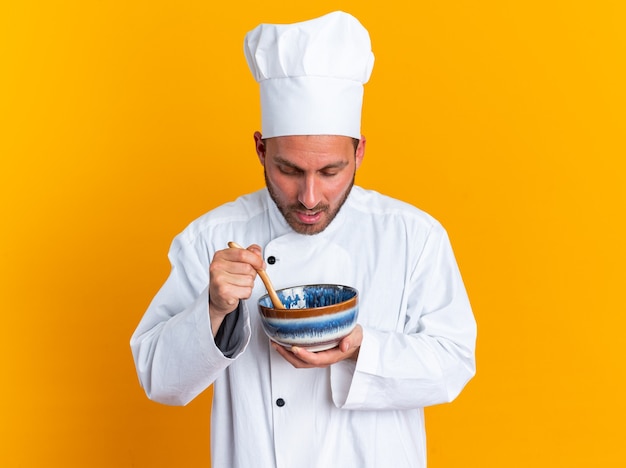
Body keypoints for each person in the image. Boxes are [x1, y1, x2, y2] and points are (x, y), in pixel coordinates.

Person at [131, 11, 476, 468]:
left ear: (360, 152)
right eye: (289, 170)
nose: (310, 197)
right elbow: (159, 379)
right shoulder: (214, 237)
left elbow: (453, 364)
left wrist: (358, 349)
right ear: (260, 149)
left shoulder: (412, 236)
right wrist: (213, 310)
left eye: (331, 171)